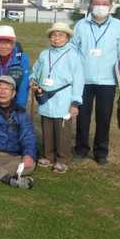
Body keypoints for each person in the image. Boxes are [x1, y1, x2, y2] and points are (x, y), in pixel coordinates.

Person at [71, 0, 120, 165]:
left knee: (103, 117)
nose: (100, 7)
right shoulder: (81, 25)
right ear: (91, 5)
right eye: (97, 3)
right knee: (82, 116)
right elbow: (73, 49)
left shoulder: (118, 26)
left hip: (108, 80)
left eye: (105, 4)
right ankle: (81, 149)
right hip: (83, 79)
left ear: (111, 7)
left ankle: (101, 152)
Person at [30, 23, 84, 173]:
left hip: (64, 97)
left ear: (67, 37)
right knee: (47, 127)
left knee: (62, 130)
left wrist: (75, 103)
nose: (56, 38)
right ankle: (48, 156)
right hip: (45, 97)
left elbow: (79, 80)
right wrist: (33, 79)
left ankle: (62, 159)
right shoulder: (44, 54)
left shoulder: (73, 55)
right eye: (53, 35)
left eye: (60, 35)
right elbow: (35, 70)